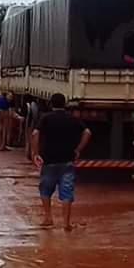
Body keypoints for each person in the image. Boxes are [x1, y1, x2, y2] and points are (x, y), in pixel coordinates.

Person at [31, 93, 91, 231]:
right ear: (65, 104)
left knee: (45, 189)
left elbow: (35, 134)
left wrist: (36, 153)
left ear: (51, 104)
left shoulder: (45, 118)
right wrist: (78, 149)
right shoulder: (72, 119)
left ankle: (48, 218)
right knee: (67, 192)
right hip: (67, 161)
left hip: (49, 161)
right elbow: (87, 132)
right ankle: (66, 223)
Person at [24, 95, 40, 160]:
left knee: (28, 140)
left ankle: (29, 155)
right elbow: (35, 116)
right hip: (32, 124)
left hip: (29, 124)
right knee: (31, 140)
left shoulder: (28, 105)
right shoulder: (34, 105)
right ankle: (30, 155)